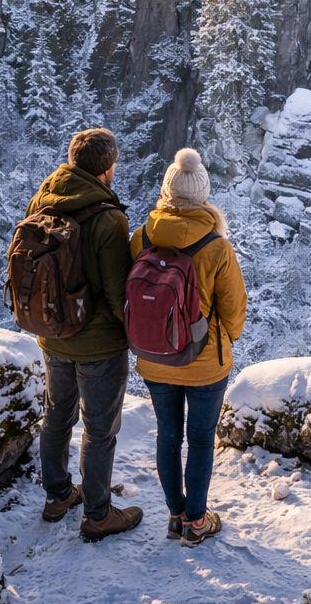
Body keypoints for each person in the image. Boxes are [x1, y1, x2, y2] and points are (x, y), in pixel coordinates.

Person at [27, 128, 142, 542]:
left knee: (56, 414)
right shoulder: (109, 219)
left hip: (52, 331)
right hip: (98, 344)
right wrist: (135, 339)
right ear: (109, 167)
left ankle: (58, 495)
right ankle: (97, 514)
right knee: (99, 428)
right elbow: (116, 291)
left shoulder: (43, 199)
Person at [132, 148, 246, 548]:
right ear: (203, 196)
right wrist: (225, 338)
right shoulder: (216, 246)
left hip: (155, 357)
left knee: (167, 436)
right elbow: (233, 312)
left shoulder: (143, 236)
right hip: (204, 363)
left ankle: (175, 514)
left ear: (167, 191)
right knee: (199, 440)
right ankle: (196, 522)